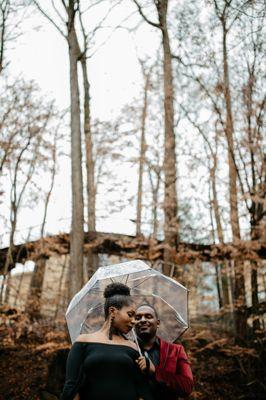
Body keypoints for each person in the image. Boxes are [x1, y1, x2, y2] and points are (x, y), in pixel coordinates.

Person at [60, 283, 154, 400]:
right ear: (112, 311)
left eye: (135, 317)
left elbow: (142, 389)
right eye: (130, 315)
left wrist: (150, 369)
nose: (134, 321)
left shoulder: (133, 347)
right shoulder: (83, 342)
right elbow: (71, 386)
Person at [134, 304, 193, 400]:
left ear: (157, 323)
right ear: (133, 323)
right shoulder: (127, 351)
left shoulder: (176, 350)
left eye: (148, 316)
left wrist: (155, 372)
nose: (143, 320)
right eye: (138, 317)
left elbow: (187, 387)